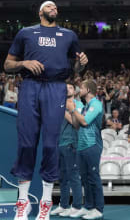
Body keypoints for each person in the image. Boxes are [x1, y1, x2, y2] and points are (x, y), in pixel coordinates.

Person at [4, 0, 88, 220]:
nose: (54, 9)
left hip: (56, 88)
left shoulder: (69, 35)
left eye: (56, 7)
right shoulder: (25, 33)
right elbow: (7, 65)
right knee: (26, 143)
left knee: (51, 144)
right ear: (40, 11)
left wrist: (82, 63)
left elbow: (77, 67)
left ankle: (46, 202)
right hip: (30, 86)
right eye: (50, 6)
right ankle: (23, 202)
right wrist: (24, 63)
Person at [66, 80, 104, 220]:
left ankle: (98, 209)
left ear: (88, 90)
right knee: (85, 179)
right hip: (81, 146)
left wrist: (74, 110)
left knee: (94, 177)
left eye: (81, 87)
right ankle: (89, 206)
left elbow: (85, 122)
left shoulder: (96, 104)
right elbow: (77, 125)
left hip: (93, 145)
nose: (79, 89)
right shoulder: (87, 105)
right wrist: (71, 110)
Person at [51, 83, 84, 217]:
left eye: (70, 87)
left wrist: (64, 110)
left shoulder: (79, 104)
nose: (66, 89)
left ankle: (76, 206)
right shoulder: (59, 105)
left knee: (73, 177)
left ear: (75, 91)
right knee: (62, 178)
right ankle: (63, 205)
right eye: (65, 87)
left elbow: (76, 123)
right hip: (60, 143)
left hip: (72, 143)